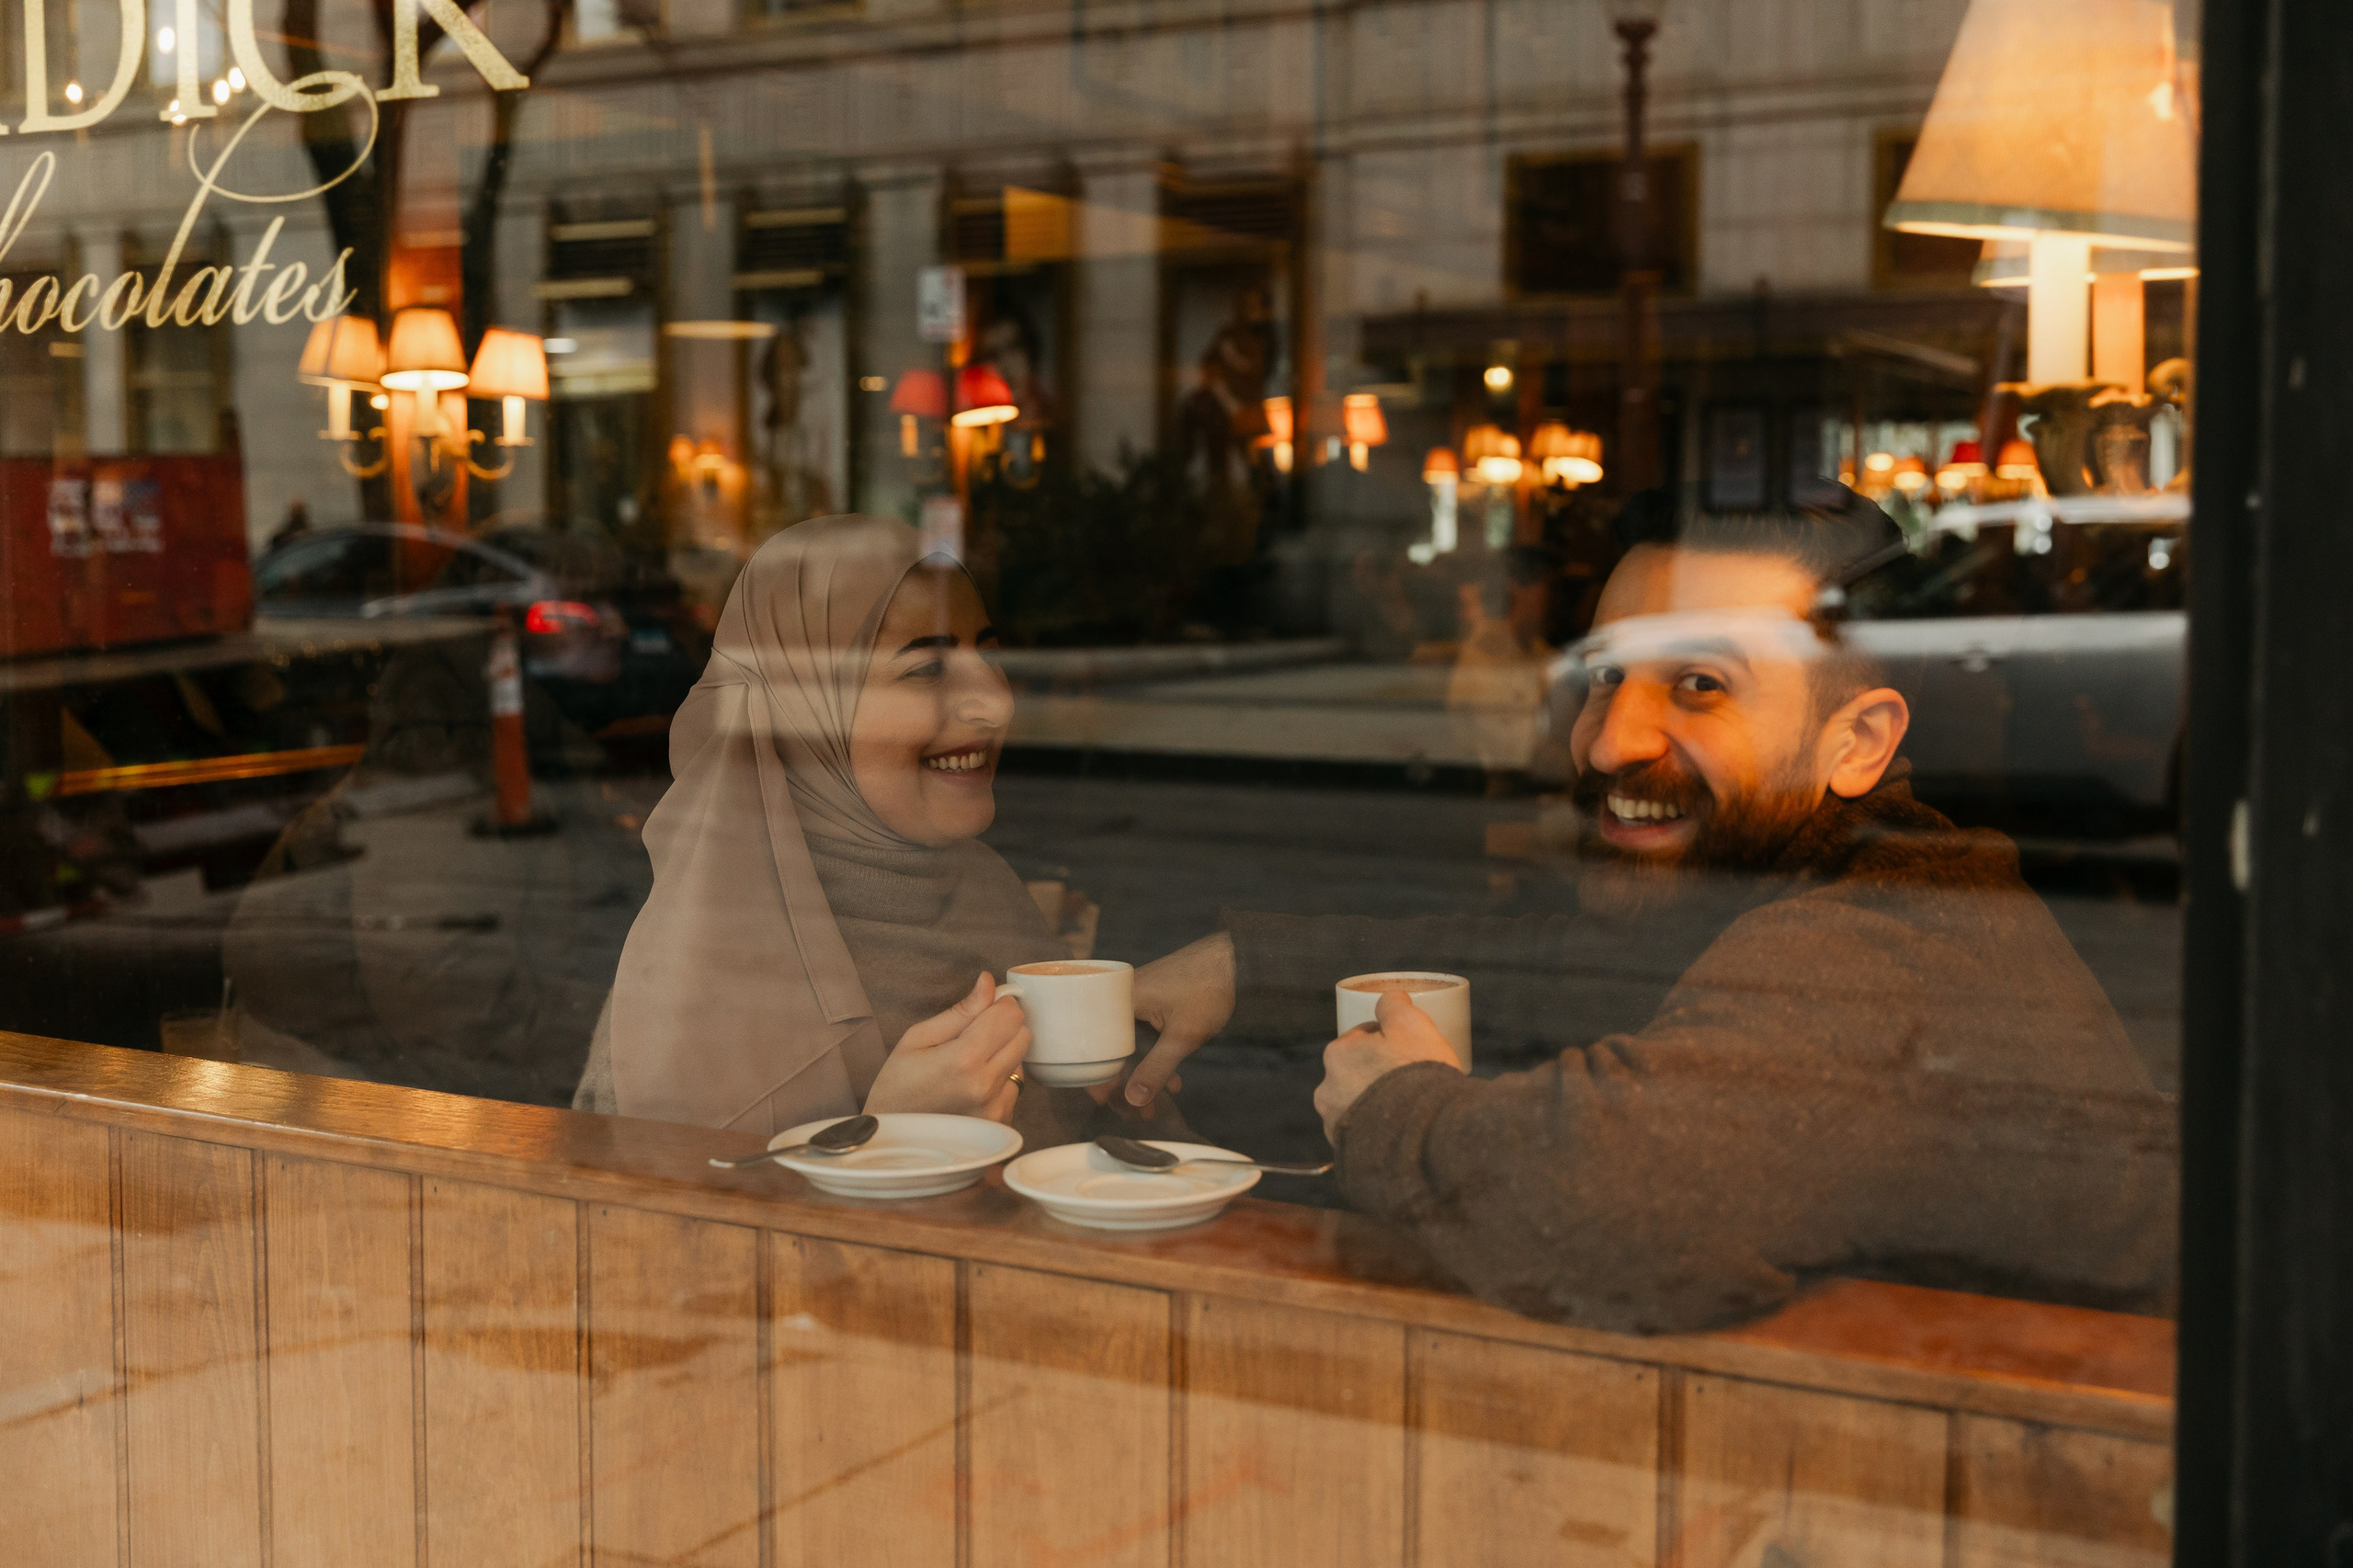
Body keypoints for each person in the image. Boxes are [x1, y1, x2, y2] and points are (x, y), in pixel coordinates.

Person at [1119, 490, 2177, 1333]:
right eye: (1605, 678)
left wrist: (1392, 1113)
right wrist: (1254, 968)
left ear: (1855, 744)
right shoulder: (1811, 883)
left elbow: (1612, 1210)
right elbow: (1567, 966)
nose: (1610, 739)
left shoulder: (1890, 939)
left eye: (1700, 685)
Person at [577, 514, 1179, 1138]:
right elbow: (650, 1228)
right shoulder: (697, 980)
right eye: (925, 670)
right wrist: (886, 1140)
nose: (997, 701)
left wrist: (1132, 1080)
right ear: (802, 711)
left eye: (991, 654)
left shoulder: (981, 891)